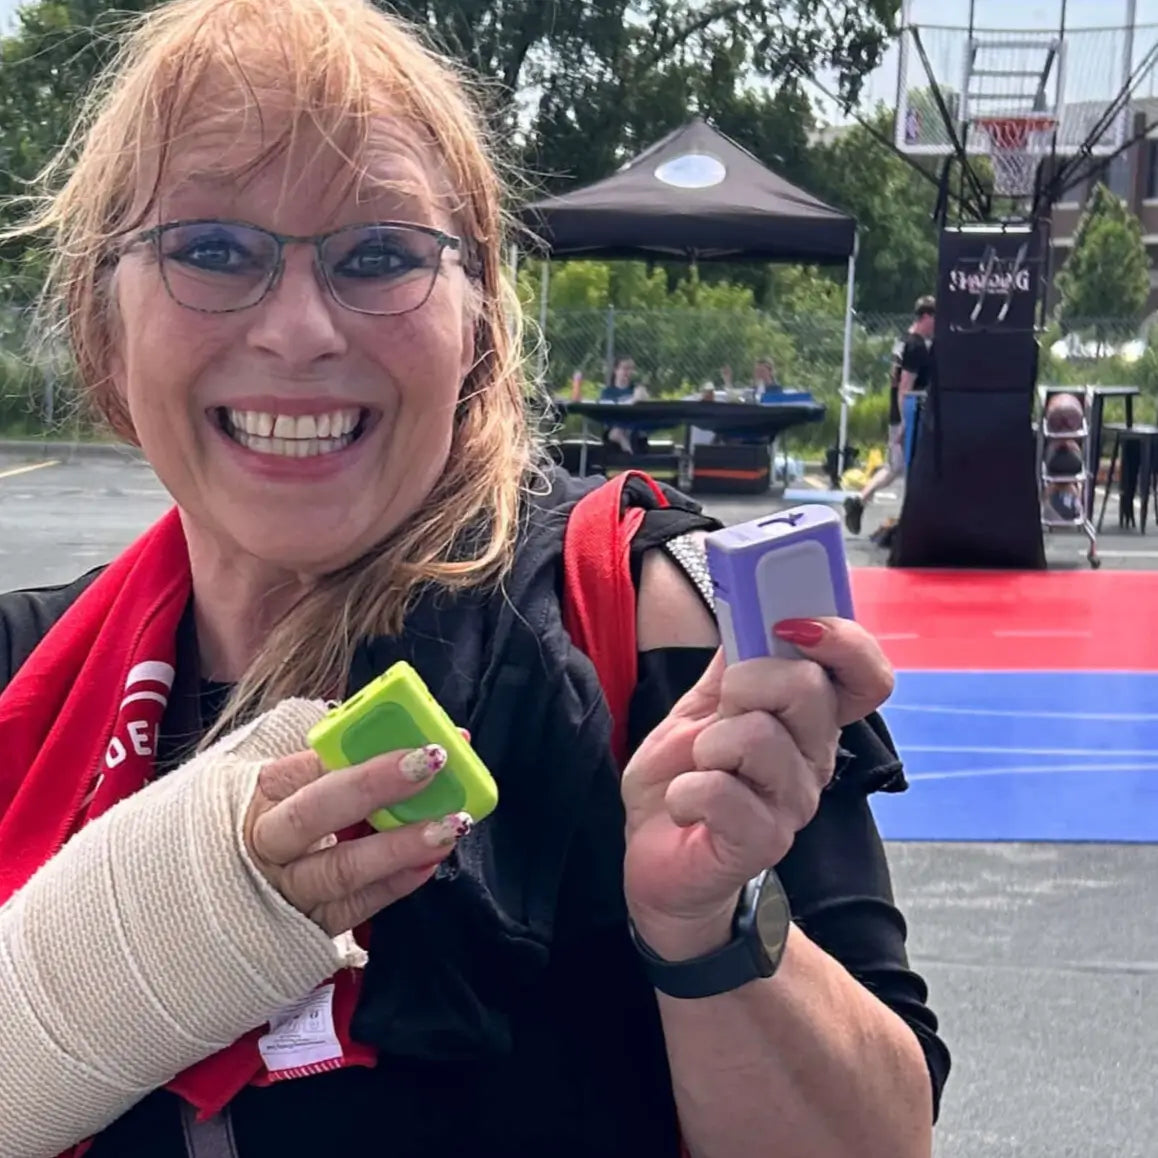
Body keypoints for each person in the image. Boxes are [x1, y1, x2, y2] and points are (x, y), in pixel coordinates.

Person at [0, 2, 948, 1155]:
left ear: (481, 327)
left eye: (381, 255)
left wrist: (708, 926)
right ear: (102, 326)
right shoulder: (24, 685)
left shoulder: (651, 634)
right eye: (210, 249)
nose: (298, 330)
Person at [845, 296, 936, 536]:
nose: (936, 325)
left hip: (899, 411)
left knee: (895, 466)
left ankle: (860, 500)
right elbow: (906, 386)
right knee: (906, 466)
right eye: (935, 319)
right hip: (908, 414)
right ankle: (908, 516)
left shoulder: (902, 341)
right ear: (926, 316)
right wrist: (906, 422)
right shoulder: (916, 346)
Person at [600, 355, 649, 454]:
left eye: (631, 369)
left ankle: (628, 450)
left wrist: (640, 394)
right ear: (616, 370)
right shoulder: (608, 392)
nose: (628, 372)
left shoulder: (636, 390)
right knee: (616, 431)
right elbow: (607, 411)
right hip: (615, 427)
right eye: (625, 368)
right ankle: (628, 450)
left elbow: (643, 407)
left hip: (632, 426)